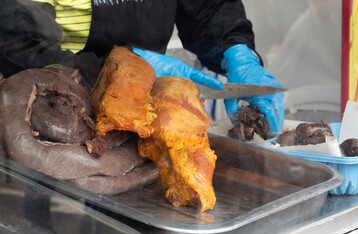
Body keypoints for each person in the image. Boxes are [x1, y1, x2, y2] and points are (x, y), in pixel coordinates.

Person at [0, 0, 284, 134]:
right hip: (44, 114)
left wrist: (235, 49)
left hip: (141, 119)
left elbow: (209, 7)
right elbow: (17, 40)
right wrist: (119, 70)